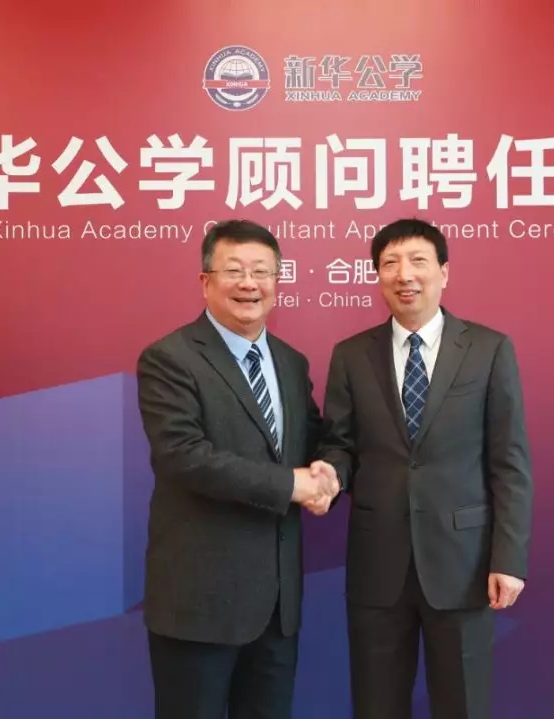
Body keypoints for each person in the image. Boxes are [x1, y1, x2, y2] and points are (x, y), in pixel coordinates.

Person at [317, 218, 534, 719]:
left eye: (418, 261)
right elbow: (340, 444)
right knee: (377, 705)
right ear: (377, 275)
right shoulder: (351, 355)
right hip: (378, 564)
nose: (404, 274)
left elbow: (510, 462)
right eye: (390, 263)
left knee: (463, 705)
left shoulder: (488, 349)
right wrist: (330, 475)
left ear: (444, 272)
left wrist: (508, 558)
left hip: (464, 565)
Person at [136, 219, 339, 719]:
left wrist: (331, 472)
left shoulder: (290, 362)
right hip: (200, 605)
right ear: (206, 281)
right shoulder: (169, 359)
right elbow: (184, 456)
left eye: (262, 271)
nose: (250, 283)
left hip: (276, 608)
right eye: (234, 270)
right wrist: (291, 484)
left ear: (277, 281)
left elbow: (313, 440)